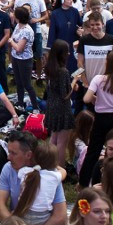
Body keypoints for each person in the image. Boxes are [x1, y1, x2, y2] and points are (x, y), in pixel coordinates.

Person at [79, 51, 113, 186]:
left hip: (101, 119)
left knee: (93, 152)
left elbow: (86, 99)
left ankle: (84, 183)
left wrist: (96, 99)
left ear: (107, 63)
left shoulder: (98, 79)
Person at [12, 141, 65, 225]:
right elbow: (63, 171)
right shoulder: (54, 177)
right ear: (55, 162)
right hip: (43, 218)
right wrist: (55, 165)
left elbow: (20, 172)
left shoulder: (26, 172)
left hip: (24, 216)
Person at [44, 40, 77, 168]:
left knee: (53, 138)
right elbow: (66, 95)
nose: (69, 53)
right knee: (62, 143)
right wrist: (74, 81)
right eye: (67, 51)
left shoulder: (49, 67)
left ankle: (49, 164)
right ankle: (60, 169)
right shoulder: (63, 72)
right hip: (62, 109)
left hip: (51, 106)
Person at [10, 6, 38, 109]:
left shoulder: (27, 30)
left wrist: (11, 41)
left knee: (27, 84)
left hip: (24, 60)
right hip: (15, 58)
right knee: (18, 82)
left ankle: (35, 106)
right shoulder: (18, 26)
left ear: (18, 17)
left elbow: (19, 48)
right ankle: (20, 103)